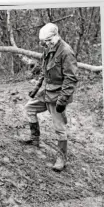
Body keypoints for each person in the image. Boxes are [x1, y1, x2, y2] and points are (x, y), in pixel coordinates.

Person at [24, 23, 78, 171]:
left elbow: (71, 78)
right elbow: (43, 69)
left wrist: (62, 99)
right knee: (29, 108)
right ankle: (35, 139)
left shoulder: (66, 52)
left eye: (48, 40)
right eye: (44, 41)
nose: (45, 43)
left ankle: (62, 158)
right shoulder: (48, 48)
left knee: (59, 128)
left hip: (58, 95)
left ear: (55, 36)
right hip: (46, 92)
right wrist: (36, 88)